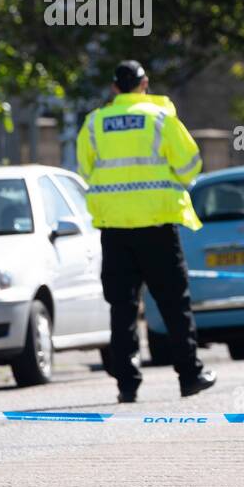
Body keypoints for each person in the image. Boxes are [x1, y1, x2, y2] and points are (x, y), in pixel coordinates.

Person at [75, 60, 216, 403]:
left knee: (121, 307)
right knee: (173, 303)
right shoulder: (160, 119)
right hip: (156, 225)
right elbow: (190, 166)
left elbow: (86, 171)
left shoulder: (94, 123)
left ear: (114, 88)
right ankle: (189, 375)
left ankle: (127, 384)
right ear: (145, 84)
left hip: (115, 229)